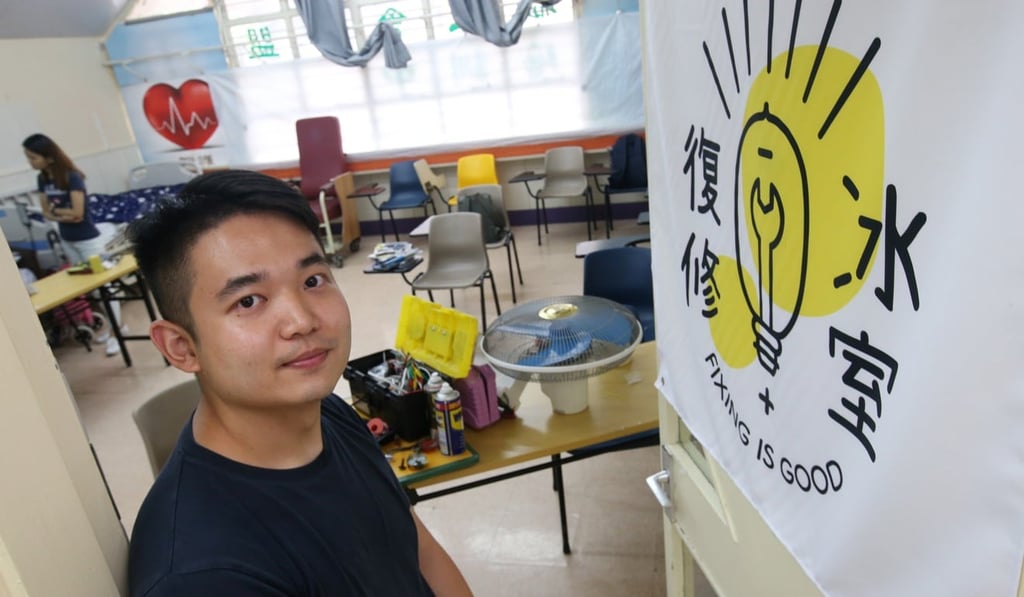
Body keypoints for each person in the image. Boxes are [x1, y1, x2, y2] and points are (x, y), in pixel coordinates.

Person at [127, 169, 473, 596]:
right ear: (181, 347)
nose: (302, 321)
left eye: (312, 281)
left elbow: (417, 547)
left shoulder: (328, 411)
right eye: (248, 300)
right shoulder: (204, 575)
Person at [22, 133, 124, 355]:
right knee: (90, 291)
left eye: (33, 157)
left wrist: (58, 213)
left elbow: (77, 214)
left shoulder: (72, 177)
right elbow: (48, 212)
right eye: (28, 157)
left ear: (49, 157)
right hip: (68, 239)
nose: (30, 162)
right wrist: (62, 214)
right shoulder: (43, 179)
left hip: (87, 239)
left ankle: (119, 334)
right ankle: (114, 327)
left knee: (105, 288)